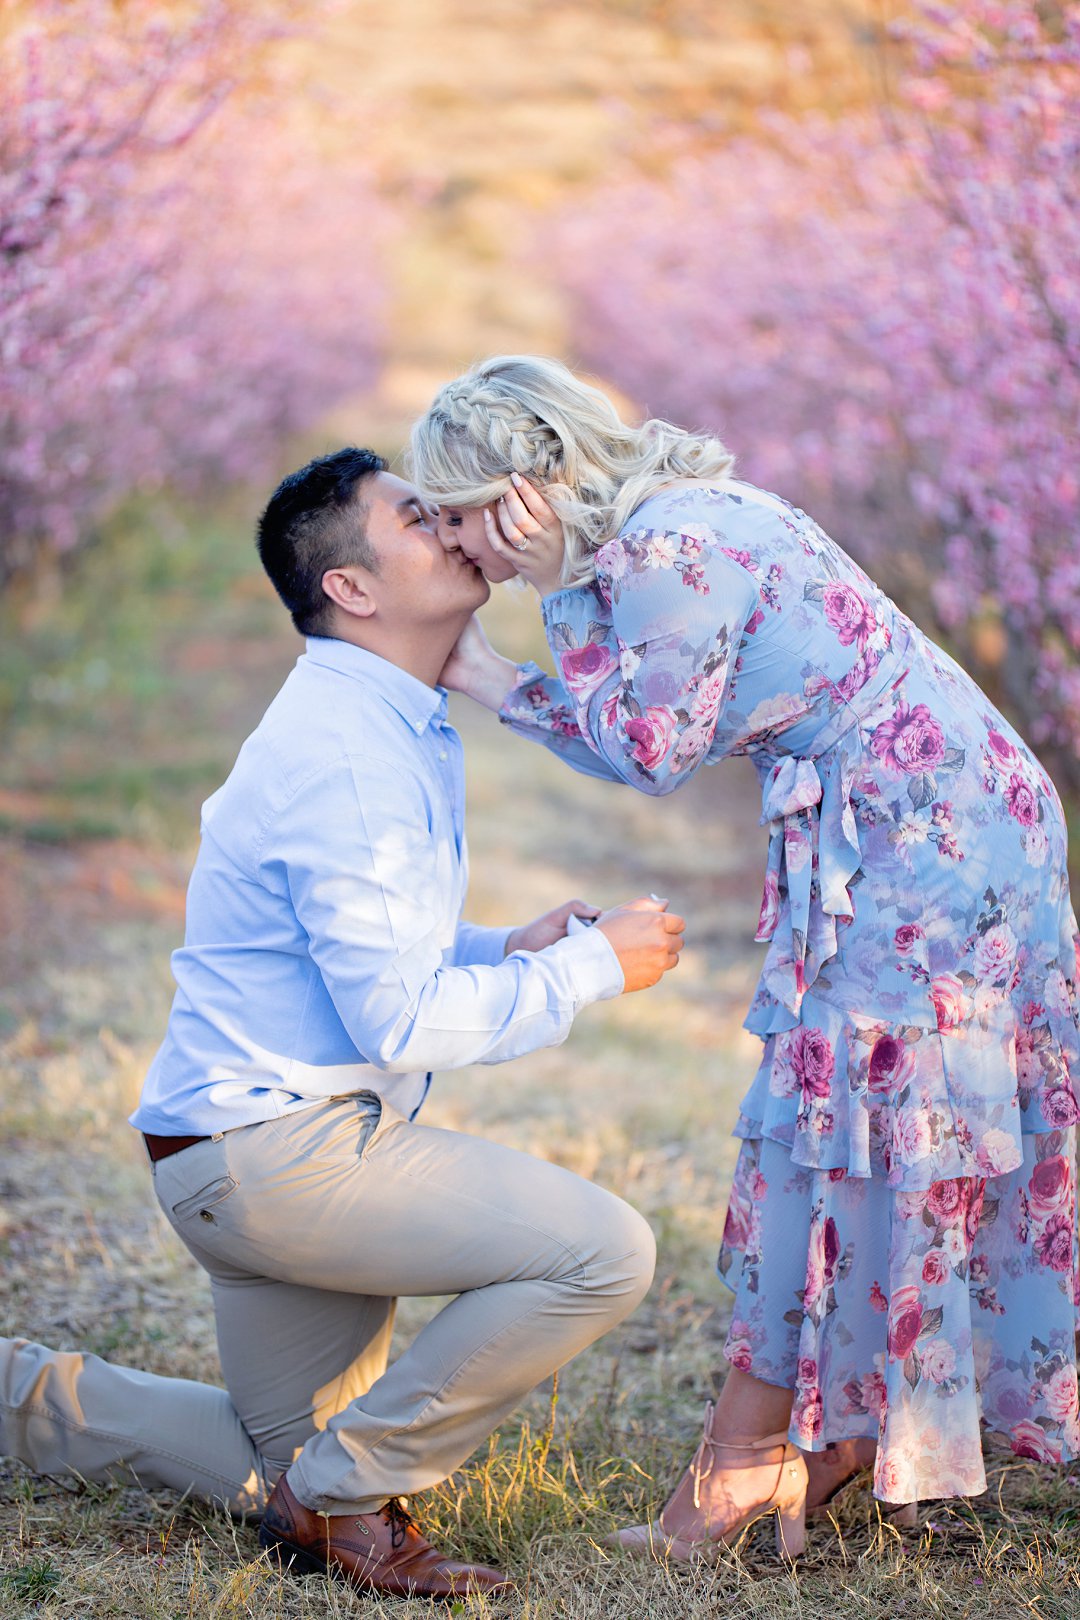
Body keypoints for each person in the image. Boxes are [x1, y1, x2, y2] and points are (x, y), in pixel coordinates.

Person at [409, 355, 1080, 1561]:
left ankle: (757, 1459)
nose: (461, 547)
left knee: (852, 1119)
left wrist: (499, 669)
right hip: (913, 813)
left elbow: (649, 749)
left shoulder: (665, 550)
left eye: (463, 515)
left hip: (926, 829)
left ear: (531, 487)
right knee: (855, 1122)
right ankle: (832, 1437)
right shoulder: (658, 530)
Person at [0, 447, 688, 1600]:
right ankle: (343, 1498)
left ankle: (30, 1397)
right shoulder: (347, 756)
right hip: (282, 1157)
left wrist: (505, 948)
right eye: (421, 518)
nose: (460, 526)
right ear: (354, 589)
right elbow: (404, 1015)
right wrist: (586, 971)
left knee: (273, 1465)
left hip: (237, 1148)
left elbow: (363, 949)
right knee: (604, 1252)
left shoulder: (375, 717)